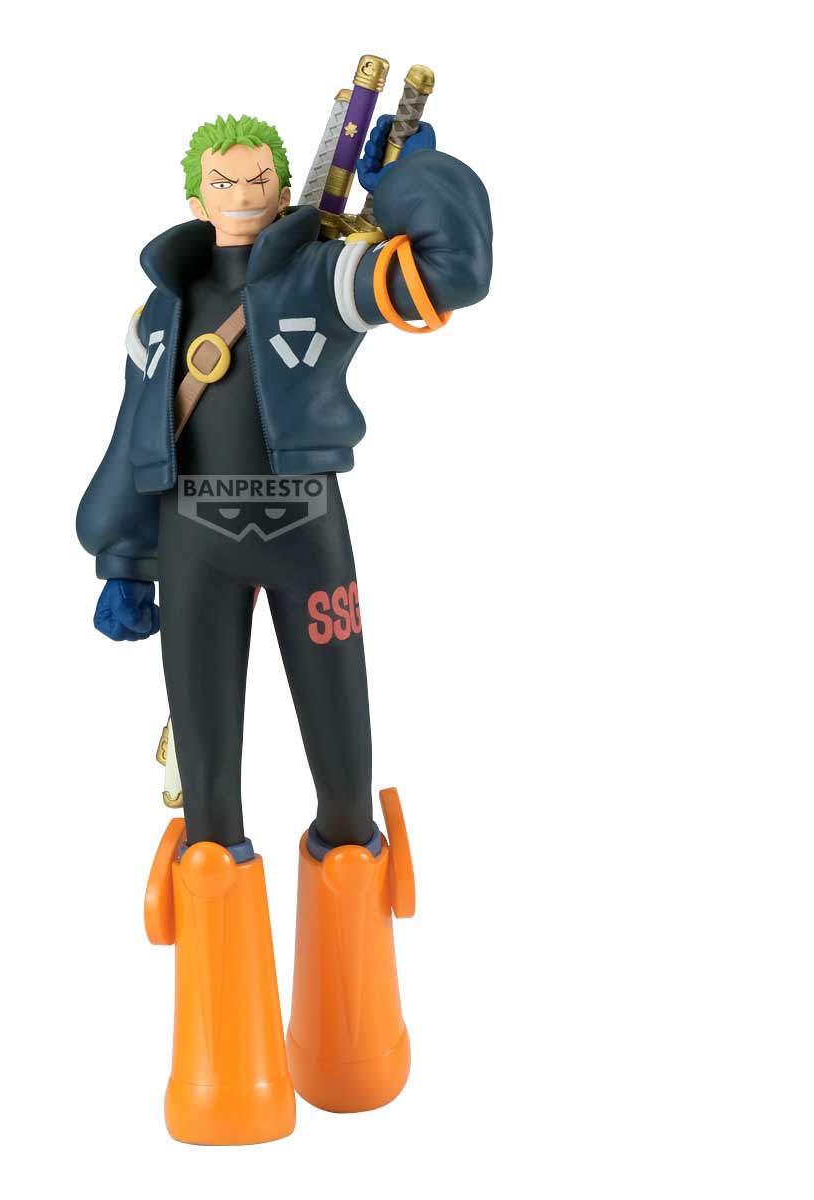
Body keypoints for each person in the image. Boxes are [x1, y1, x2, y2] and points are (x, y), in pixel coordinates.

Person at [77, 111, 492, 1143]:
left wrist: (410, 184)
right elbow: (134, 432)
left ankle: (352, 1049)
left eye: (259, 176)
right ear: (195, 196)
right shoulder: (158, 314)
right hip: (194, 545)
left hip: (308, 531)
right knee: (208, 810)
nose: (245, 192)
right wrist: (123, 554)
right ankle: (226, 1081)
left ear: (283, 182)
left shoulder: (320, 276)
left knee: (346, 785)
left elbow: (452, 272)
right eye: (224, 180)